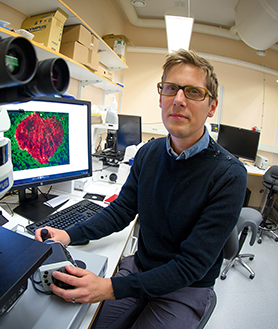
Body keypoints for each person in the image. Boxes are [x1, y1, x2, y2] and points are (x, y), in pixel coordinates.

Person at [35, 49, 247, 329]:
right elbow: (121, 211)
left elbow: (191, 265)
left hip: (187, 286)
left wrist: (109, 287)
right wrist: (68, 234)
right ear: (161, 97)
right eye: (171, 88)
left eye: (194, 92)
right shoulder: (149, 152)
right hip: (142, 267)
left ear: (211, 106)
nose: (179, 100)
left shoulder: (229, 175)